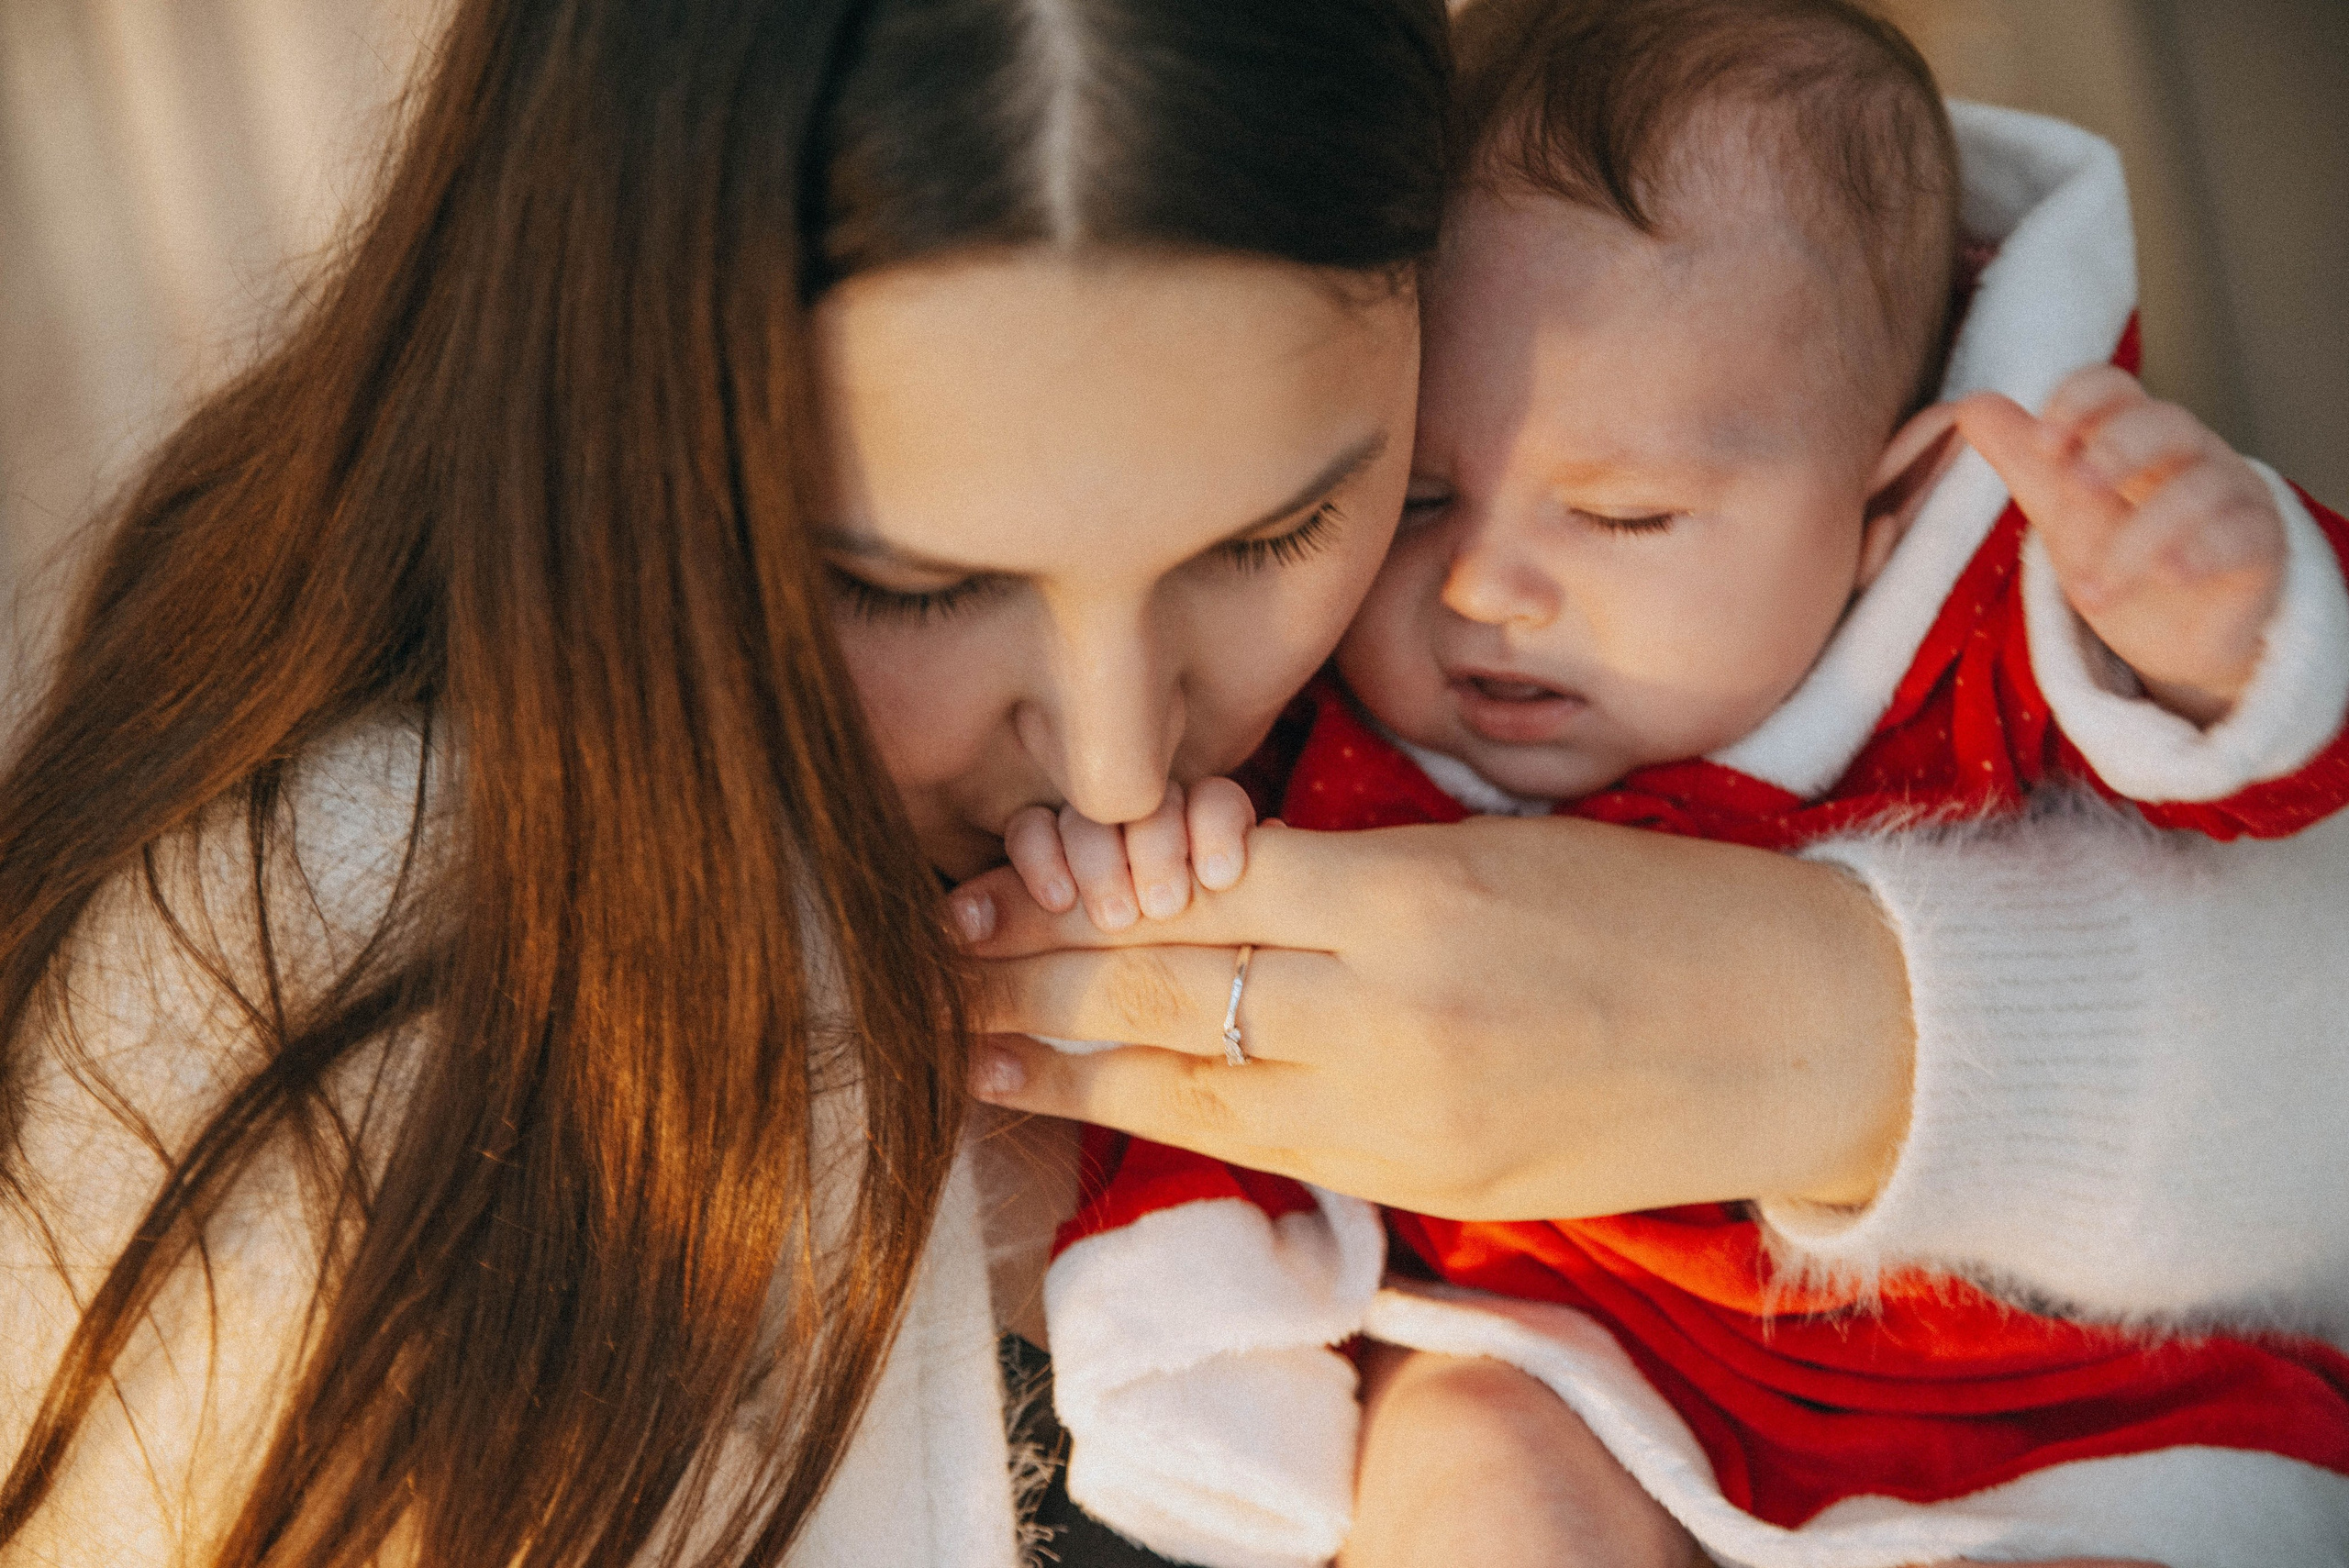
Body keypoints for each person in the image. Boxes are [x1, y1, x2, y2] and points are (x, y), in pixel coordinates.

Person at [0, 4, 2334, 1568]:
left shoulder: (1654, 677)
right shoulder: (330, 1017)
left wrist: (1832, 1027)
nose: (1128, 754)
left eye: (1272, 530)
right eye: (907, 583)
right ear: (627, 454)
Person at [1001, 3, 2349, 1565]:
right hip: (1571, 1356)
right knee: (1463, 1464)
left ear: (1888, 505)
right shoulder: (1336, 748)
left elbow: (2252, 787)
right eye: (1423, 495)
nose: (1490, 584)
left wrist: (2208, 636)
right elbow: (1207, 1053)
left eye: (1627, 515)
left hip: (2052, 1409)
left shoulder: (1979, 636)